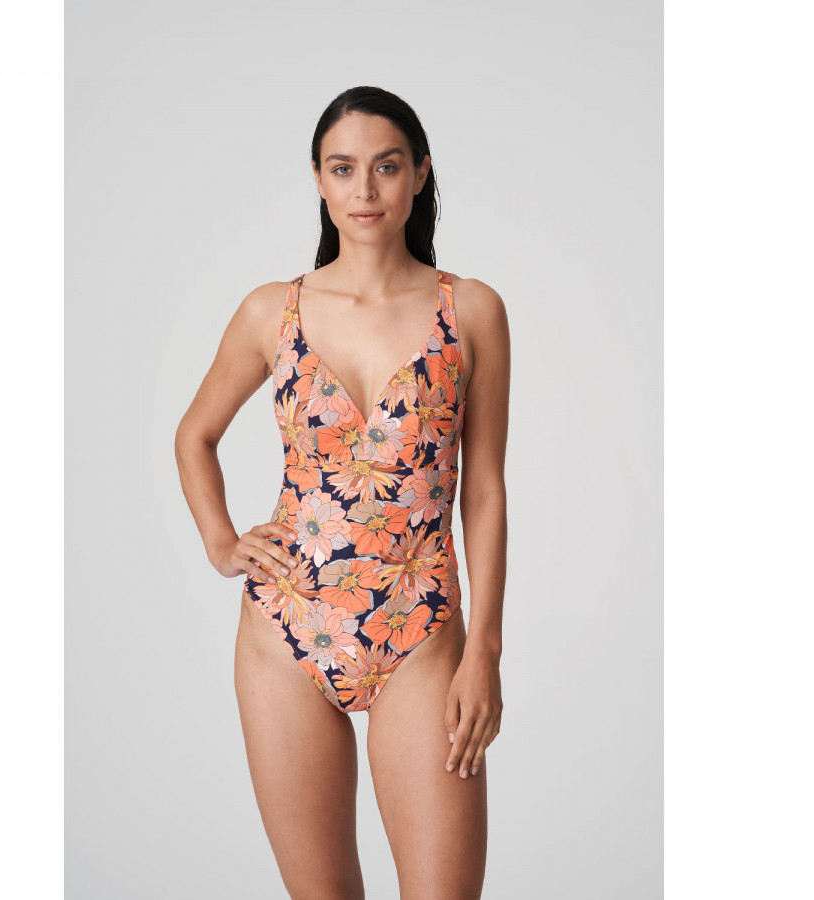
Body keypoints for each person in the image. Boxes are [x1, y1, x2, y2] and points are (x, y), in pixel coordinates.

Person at [175, 85, 509, 899]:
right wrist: (222, 542)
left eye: (387, 167)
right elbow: (194, 435)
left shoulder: (470, 310)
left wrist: (485, 652)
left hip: (421, 633)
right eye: (343, 168)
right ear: (319, 180)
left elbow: (485, 489)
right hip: (285, 631)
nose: (365, 190)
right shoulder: (272, 311)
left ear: (420, 174)